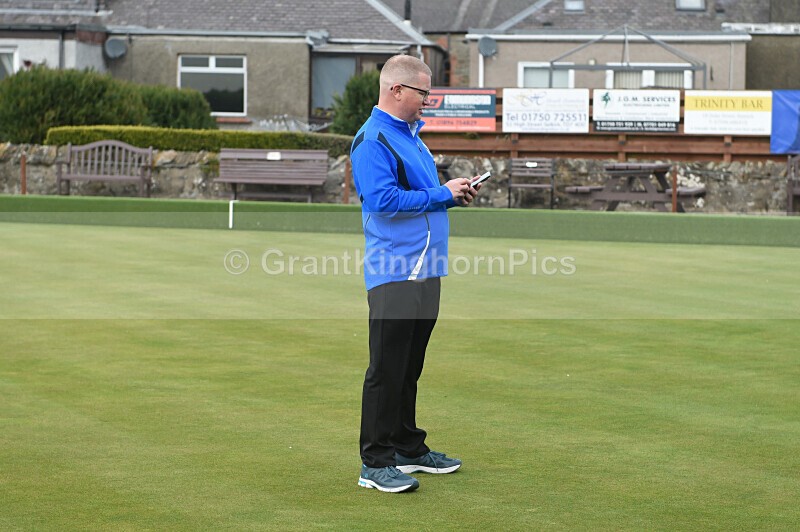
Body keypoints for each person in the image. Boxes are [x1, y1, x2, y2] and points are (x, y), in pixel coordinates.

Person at [350, 54, 483, 493]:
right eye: (424, 93)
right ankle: (375, 462)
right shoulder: (373, 140)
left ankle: (408, 447)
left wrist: (450, 193)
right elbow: (383, 202)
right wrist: (440, 194)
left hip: (427, 269)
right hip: (395, 271)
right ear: (396, 91)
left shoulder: (411, 136)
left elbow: (425, 196)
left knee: (409, 366)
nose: (430, 100)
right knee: (386, 369)